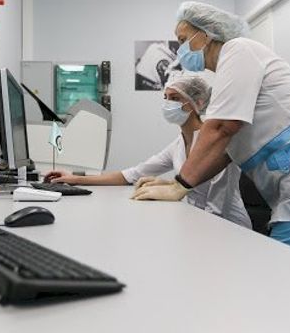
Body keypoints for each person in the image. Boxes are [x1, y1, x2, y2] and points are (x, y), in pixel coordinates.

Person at [133, 1, 290, 262]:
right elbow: (224, 152)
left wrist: (180, 185)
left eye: (183, 40)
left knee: (288, 272)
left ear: (205, 34)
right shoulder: (229, 73)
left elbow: (221, 128)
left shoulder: (238, 49)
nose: (180, 50)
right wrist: (179, 183)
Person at [45, 72, 251, 228]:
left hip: (230, 227)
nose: (167, 103)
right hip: (198, 222)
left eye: (175, 98)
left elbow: (217, 206)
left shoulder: (216, 142)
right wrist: (74, 179)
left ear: (196, 103)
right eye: (165, 97)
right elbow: (132, 174)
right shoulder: (179, 144)